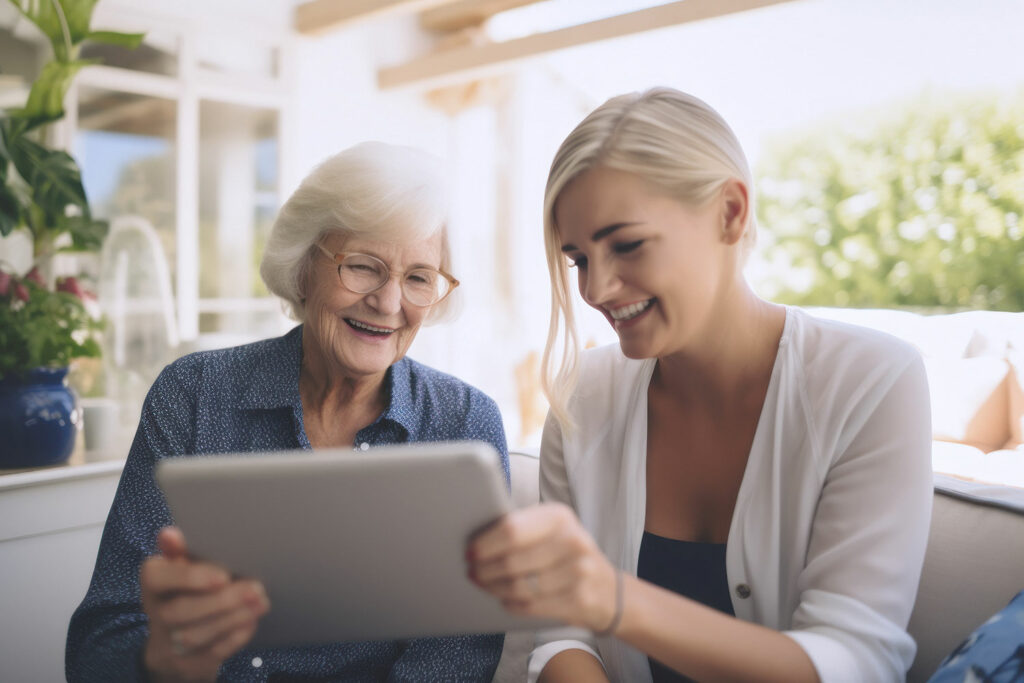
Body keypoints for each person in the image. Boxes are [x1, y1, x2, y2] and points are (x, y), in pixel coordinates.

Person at [467, 87, 933, 682]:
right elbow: (563, 641)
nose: (596, 289)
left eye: (627, 245)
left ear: (731, 213)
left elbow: (854, 661)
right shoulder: (582, 396)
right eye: (579, 258)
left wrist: (615, 600)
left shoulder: (872, 382)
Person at [66, 142, 510, 682]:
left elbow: (456, 659)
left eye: (418, 277)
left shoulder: (463, 426)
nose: (390, 303)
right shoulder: (193, 395)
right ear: (303, 268)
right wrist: (164, 660)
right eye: (364, 267)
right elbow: (100, 643)